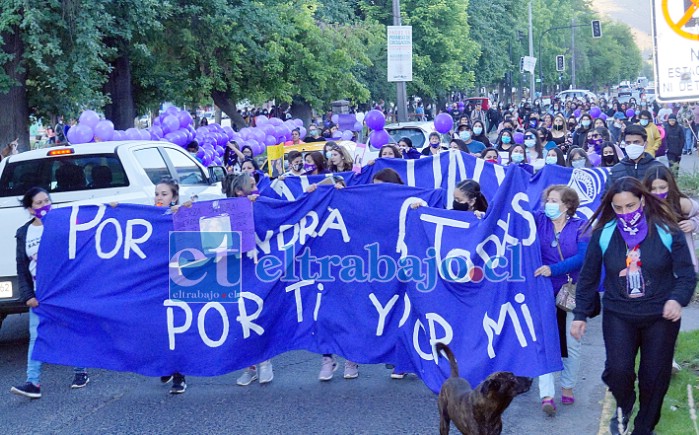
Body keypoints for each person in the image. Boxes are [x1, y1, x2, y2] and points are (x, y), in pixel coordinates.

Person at [571, 177, 696, 435]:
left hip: (661, 315)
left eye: (630, 205)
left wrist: (676, 299)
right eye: (619, 208)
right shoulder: (604, 233)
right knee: (618, 371)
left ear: (642, 200)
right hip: (619, 314)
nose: (626, 212)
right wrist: (580, 314)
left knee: (654, 378)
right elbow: (588, 277)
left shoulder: (665, 229)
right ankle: (624, 405)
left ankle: (643, 427)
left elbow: (686, 274)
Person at [11, 187, 90, 399]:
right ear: (29, 209)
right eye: (39, 203)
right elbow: (22, 267)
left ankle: (80, 371)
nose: (44, 205)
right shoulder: (24, 233)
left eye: (47, 200)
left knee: (70, 330)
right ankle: (33, 382)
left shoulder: (60, 227)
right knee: (37, 337)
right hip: (39, 294)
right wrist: (28, 296)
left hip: (61, 291)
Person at [533, 185, 589, 416]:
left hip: (571, 290)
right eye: (547, 200)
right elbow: (510, 216)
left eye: (554, 200)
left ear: (567, 205)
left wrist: (553, 269)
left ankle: (567, 385)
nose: (549, 204)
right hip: (543, 291)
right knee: (546, 341)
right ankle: (547, 395)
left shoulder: (581, 226)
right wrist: (477, 213)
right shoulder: (539, 221)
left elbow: (583, 257)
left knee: (572, 342)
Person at [220, 174, 276, 386]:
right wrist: (185, 208)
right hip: (237, 269)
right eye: (252, 186)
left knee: (260, 313)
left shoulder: (263, 204)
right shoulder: (225, 209)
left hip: (261, 268)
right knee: (241, 316)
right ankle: (249, 366)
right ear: (239, 192)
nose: (257, 189)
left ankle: (265, 361)